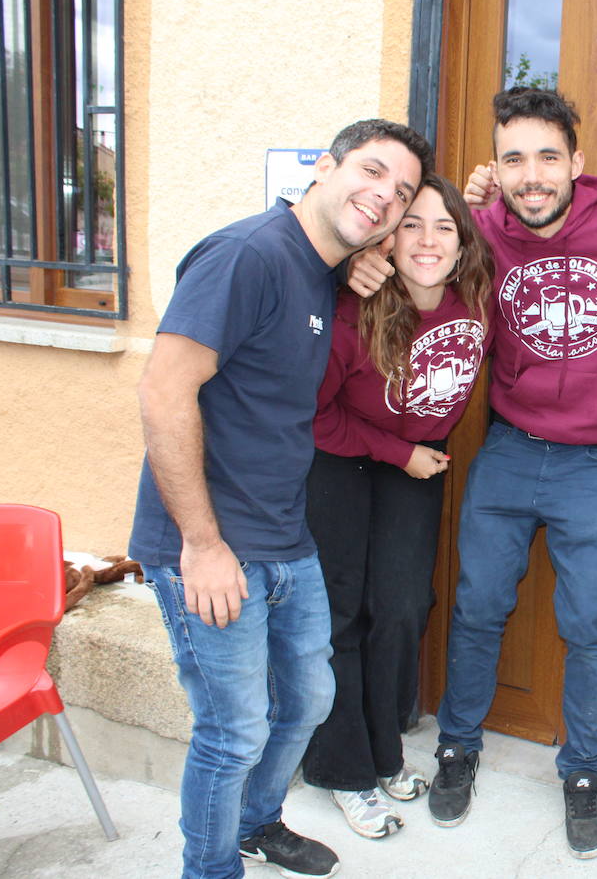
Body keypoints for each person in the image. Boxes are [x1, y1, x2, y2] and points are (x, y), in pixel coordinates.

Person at [351, 86, 597, 860]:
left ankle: (584, 771)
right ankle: (457, 746)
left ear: (578, 162)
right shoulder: (480, 231)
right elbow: (408, 246)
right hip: (509, 451)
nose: (531, 176)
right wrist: (364, 258)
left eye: (547, 157)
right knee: (477, 607)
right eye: (514, 159)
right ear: (496, 167)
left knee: (592, 624)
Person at [130, 119, 430, 879]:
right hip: (210, 544)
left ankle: (257, 823)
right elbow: (164, 394)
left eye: (400, 193)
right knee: (233, 730)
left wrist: (361, 262)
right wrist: (202, 546)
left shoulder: (319, 268)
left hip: (285, 537)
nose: (384, 197)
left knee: (306, 702)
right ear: (324, 167)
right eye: (371, 172)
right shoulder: (246, 255)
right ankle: (210, 868)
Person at [300, 172, 494, 840]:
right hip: (341, 460)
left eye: (444, 226)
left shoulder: (476, 300)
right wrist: (398, 452)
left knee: (404, 607)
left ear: (465, 242)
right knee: (341, 615)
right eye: (411, 225)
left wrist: (490, 187)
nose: (428, 240)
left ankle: (384, 750)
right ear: (387, 238)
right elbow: (316, 415)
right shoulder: (355, 309)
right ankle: (342, 770)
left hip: (415, 463)